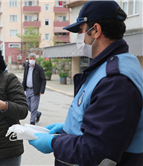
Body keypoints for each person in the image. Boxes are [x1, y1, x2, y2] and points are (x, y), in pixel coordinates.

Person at [28, 0, 143, 165]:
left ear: (96, 30)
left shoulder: (116, 79)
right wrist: (68, 129)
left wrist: (53, 142)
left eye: (81, 31)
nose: (79, 38)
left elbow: (96, 150)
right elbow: (102, 122)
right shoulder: (112, 65)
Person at [22, 53, 46, 125]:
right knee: (27, 105)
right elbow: (25, 78)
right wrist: (21, 88)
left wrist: (41, 90)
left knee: (34, 106)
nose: (32, 60)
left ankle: (32, 121)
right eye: (31, 58)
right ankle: (37, 114)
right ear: (28, 59)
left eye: (33, 59)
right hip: (28, 89)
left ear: (35, 59)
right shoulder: (26, 67)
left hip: (35, 90)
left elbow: (43, 80)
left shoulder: (39, 68)